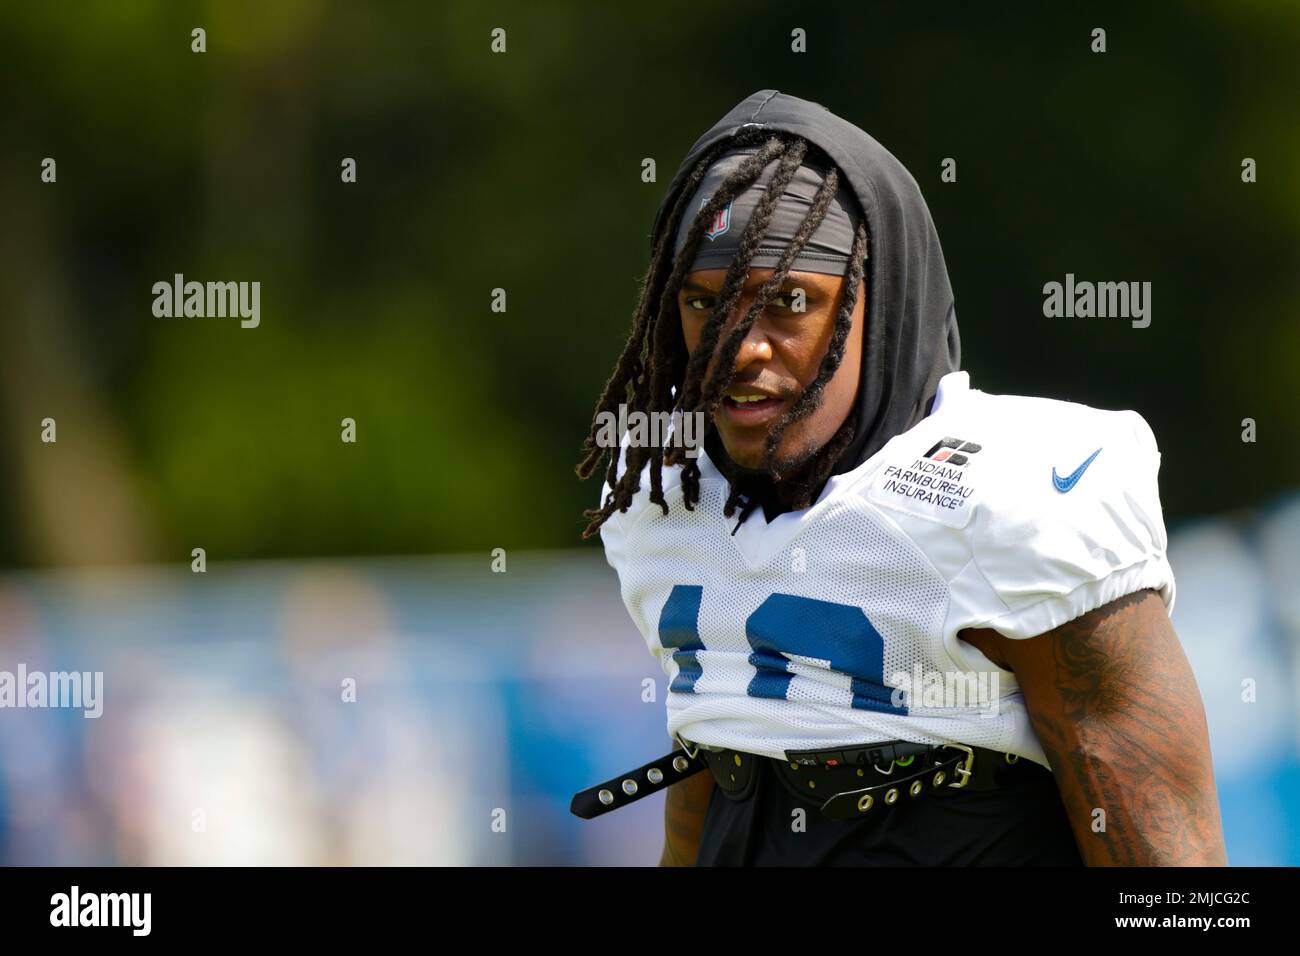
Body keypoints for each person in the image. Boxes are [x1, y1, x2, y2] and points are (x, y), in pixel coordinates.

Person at [570, 89, 1226, 866]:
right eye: (703, 303)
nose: (738, 348)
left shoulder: (1009, 502)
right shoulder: (671, 496)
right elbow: (720, 741)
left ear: (879, 311)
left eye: (789, 301)